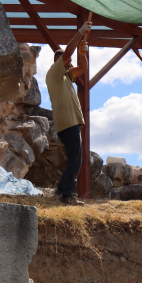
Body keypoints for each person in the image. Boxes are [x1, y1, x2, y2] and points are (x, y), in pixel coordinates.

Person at [45, 21, 92, 206]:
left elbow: (83, 69)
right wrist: (80, 33)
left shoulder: (66, 76)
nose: (70, 63)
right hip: (67, 122)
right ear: (59, 61)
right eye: (66, 61)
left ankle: (61, 190)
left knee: (75, 158)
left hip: (70, 122)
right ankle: (66, 195)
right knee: (76, 159)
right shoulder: (54, 73)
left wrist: (83, 54)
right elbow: (67, 54)